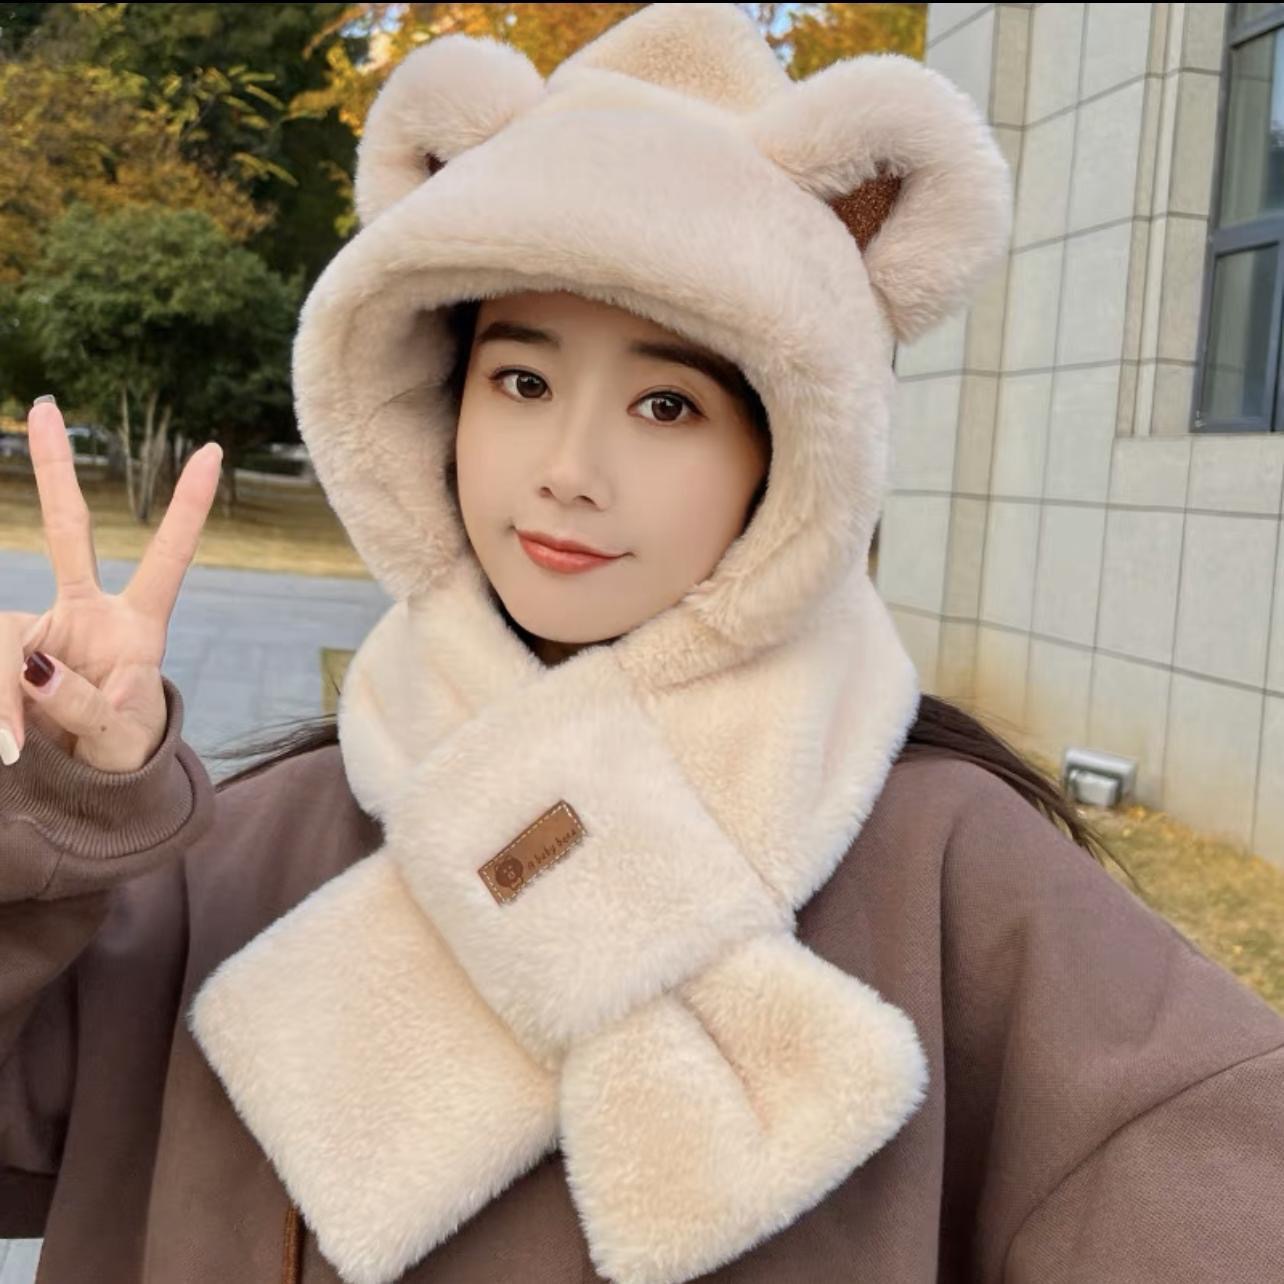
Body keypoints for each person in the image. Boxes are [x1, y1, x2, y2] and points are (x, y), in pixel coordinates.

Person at [2, 6, 1282, 1284]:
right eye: (521, 382)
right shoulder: (249, 846)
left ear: (784, 455)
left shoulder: (949, 871)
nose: (569, 468)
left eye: (667, 404)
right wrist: (55, 805)